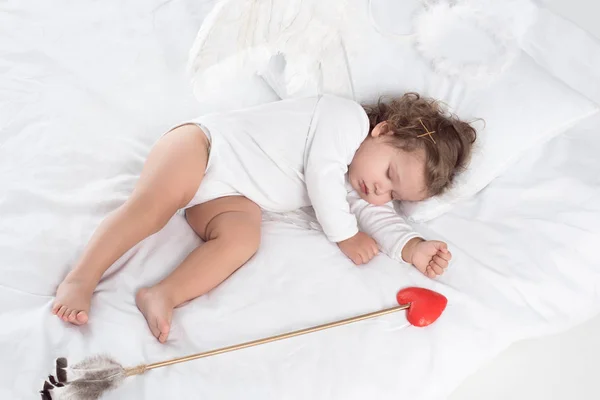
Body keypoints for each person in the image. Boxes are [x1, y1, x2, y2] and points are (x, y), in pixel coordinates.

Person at [52, 92, 477, 343]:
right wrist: (345, 236)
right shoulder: (345, 121)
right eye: (388, 175)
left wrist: (412, 247)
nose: (380, 192)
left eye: (394, 193)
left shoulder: (356, 181)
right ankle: (82, 278)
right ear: (383, 131)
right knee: (151, 210)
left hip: (229, 195)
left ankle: (162, 294)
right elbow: (321, 175)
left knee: (242, 240)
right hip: (203, 149)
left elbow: (375, 216)